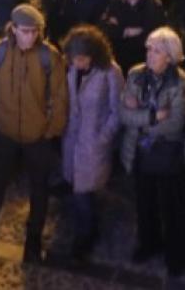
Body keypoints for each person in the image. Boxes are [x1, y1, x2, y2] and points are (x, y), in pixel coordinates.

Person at [0, 3, 67, 261]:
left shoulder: (50, 57)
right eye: (24, 31)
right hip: (3, 131)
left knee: (39, 189)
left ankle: (33, 241)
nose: (29, 36)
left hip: (38, 135)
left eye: (33, 31)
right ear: (13, 29)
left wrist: (51, 130)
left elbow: (60, 97)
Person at [119, 26, 185, 278]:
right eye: (149, 49)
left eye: (157, 51)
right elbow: (124, 115)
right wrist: (153, 115)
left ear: (170, 57)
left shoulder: (180, 80)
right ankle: (148, 243)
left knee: (173, 208)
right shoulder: (135, 74)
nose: (150, 54)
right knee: (144, 203)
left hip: (169, 155)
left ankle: (176, 256)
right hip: (140, 153)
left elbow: (174, 124)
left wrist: (141, 119)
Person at [58, 24, 123, 266]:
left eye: (82, 59)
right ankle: (85, 227)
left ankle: (85, 235)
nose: (78, 64)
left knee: (83, 192)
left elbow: (118, 111)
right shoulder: (72, 70)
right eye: (74, 59)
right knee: (78, 188)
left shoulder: (110, 72)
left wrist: (103, 138)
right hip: (73, 139)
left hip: (93, 143)